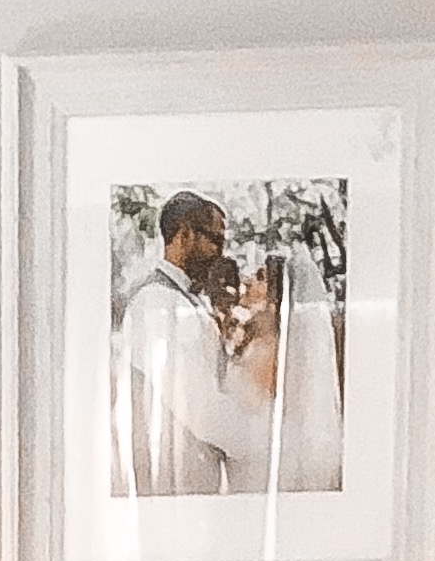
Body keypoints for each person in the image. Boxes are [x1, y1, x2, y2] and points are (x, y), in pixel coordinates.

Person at [115, 190, 254, 496]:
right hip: (173, 483)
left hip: (193, 479)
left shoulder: (181, 299)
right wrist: (259, 443)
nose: (220, 252)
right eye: (214, 240)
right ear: (185, 234)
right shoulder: (157, 302)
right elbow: (199, 407)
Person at [224, 250, 346, 496]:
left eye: (260, 277)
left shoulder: (269, 351)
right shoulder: (262, 343)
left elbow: (245, 413)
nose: (248, 281)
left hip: (258, 468)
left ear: (276, 298)